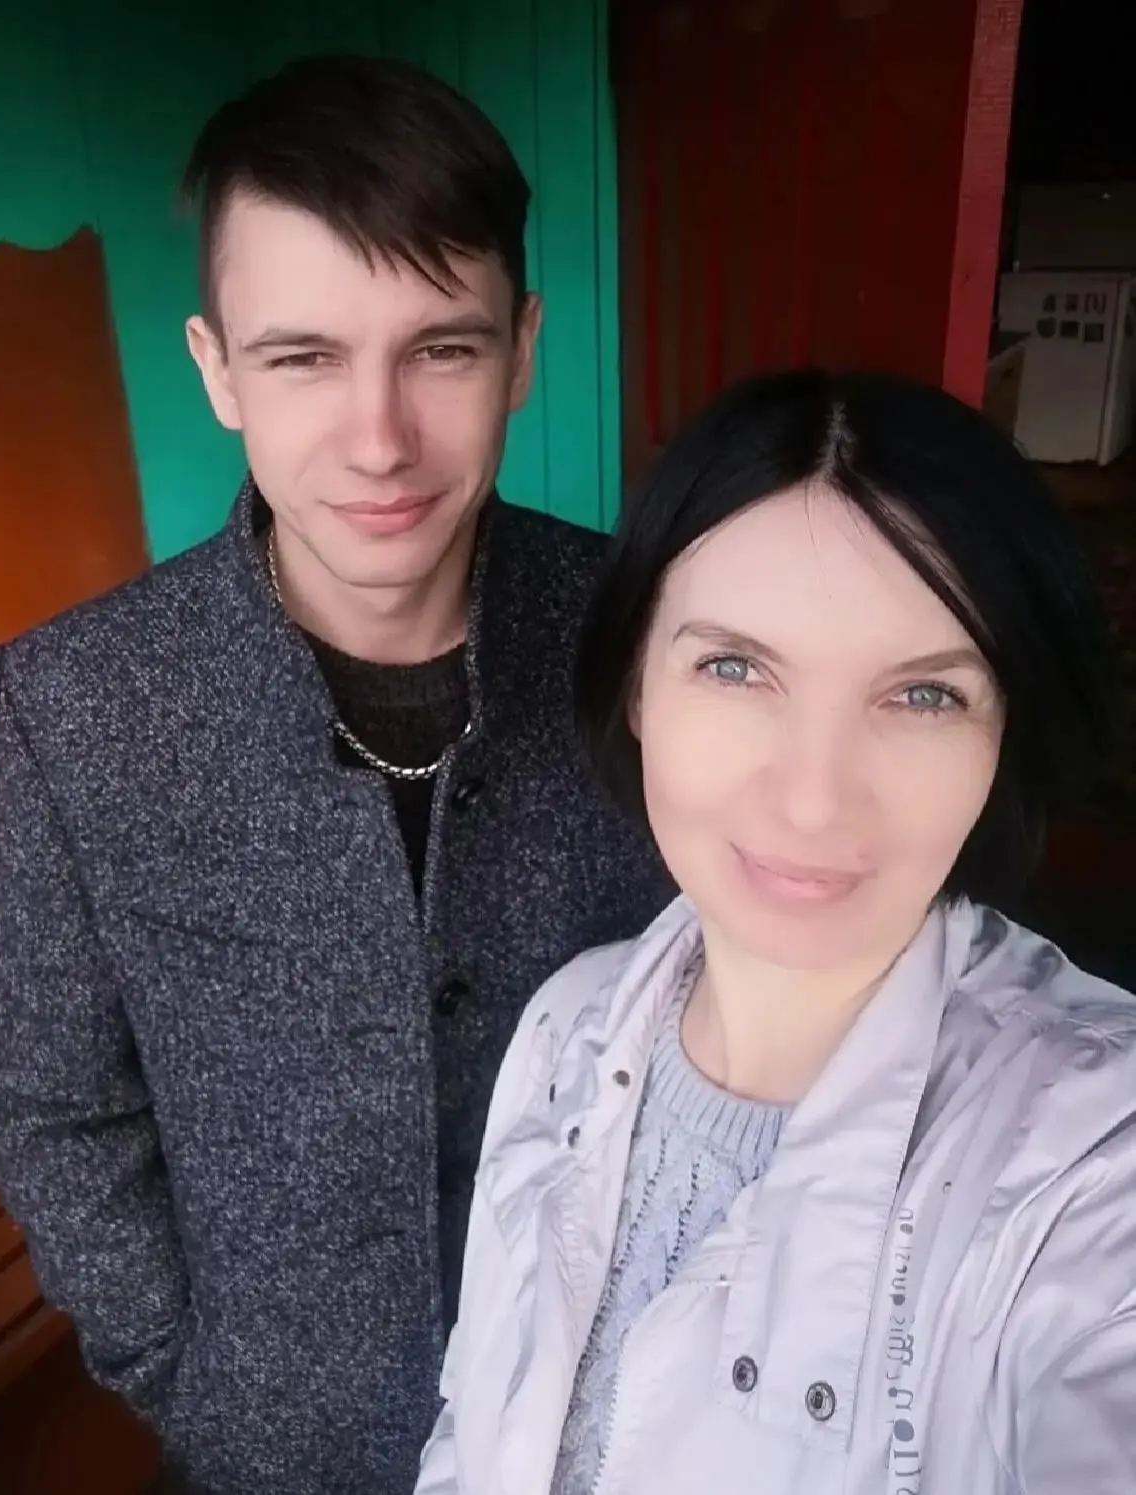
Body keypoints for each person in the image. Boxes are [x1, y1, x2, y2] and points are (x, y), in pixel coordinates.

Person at [0, 54, 671, 1495]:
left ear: (523, 350)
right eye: (303, 357)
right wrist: (187, 1374)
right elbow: (49, 1096)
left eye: (442, 349)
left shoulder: (652, 638)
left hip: (612, 1417)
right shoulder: (79, 702)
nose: (379, 440)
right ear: (217, 368)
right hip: (270, 1445)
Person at [417, 368, 1136, 1495]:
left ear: (1007, 731)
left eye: (924, 695)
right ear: (638, 686)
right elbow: (472, 1424)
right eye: (735, 667)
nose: (812, 800)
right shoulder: (567, 1024)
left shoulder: (1091, 1169)